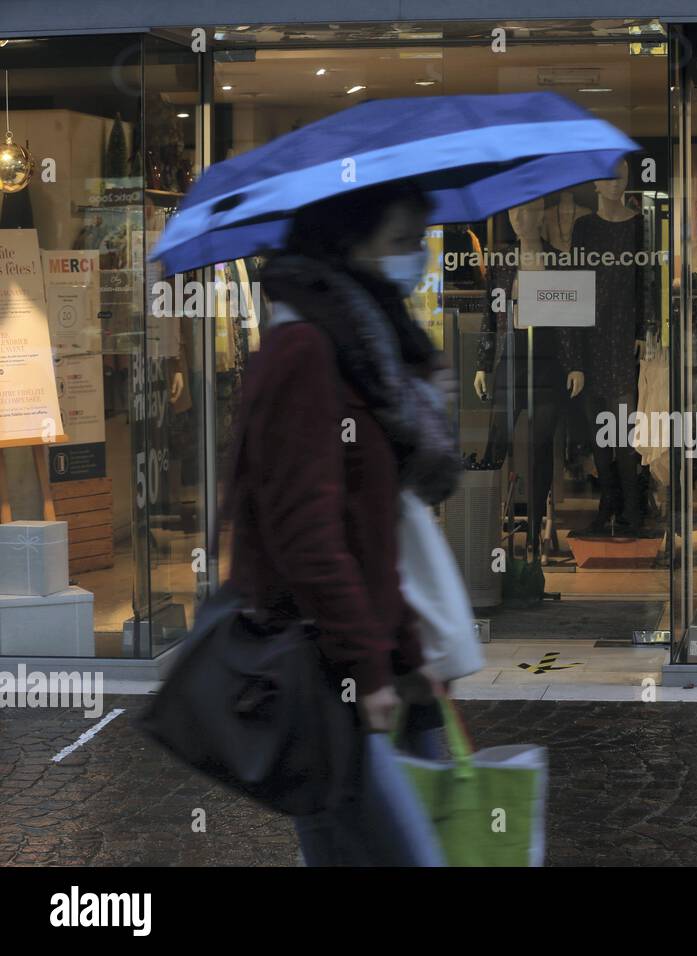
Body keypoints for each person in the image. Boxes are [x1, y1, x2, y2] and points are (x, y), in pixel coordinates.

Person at [226, 178, 461, 866]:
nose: (415, 257)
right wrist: (370, 670)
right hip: (332, 676)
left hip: (379, 665)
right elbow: (309, 535)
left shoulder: (366, 348)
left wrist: (410, 661)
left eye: (420, 241)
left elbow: (374, 530)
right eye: (402, 241)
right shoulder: (306, 349)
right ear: (348, 242)